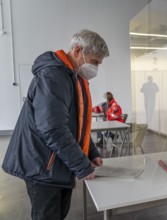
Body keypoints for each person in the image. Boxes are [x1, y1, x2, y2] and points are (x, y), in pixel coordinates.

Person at [2, 29, 109, 220]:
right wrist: (82, 166)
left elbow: (77, 124)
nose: (96, 67)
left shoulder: (73, 77)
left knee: (58, 214)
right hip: (43, 166)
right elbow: (53, 128)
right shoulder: (53, 77)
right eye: (94, 61)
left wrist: (91, 153)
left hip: (56, 164)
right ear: (77, 51)